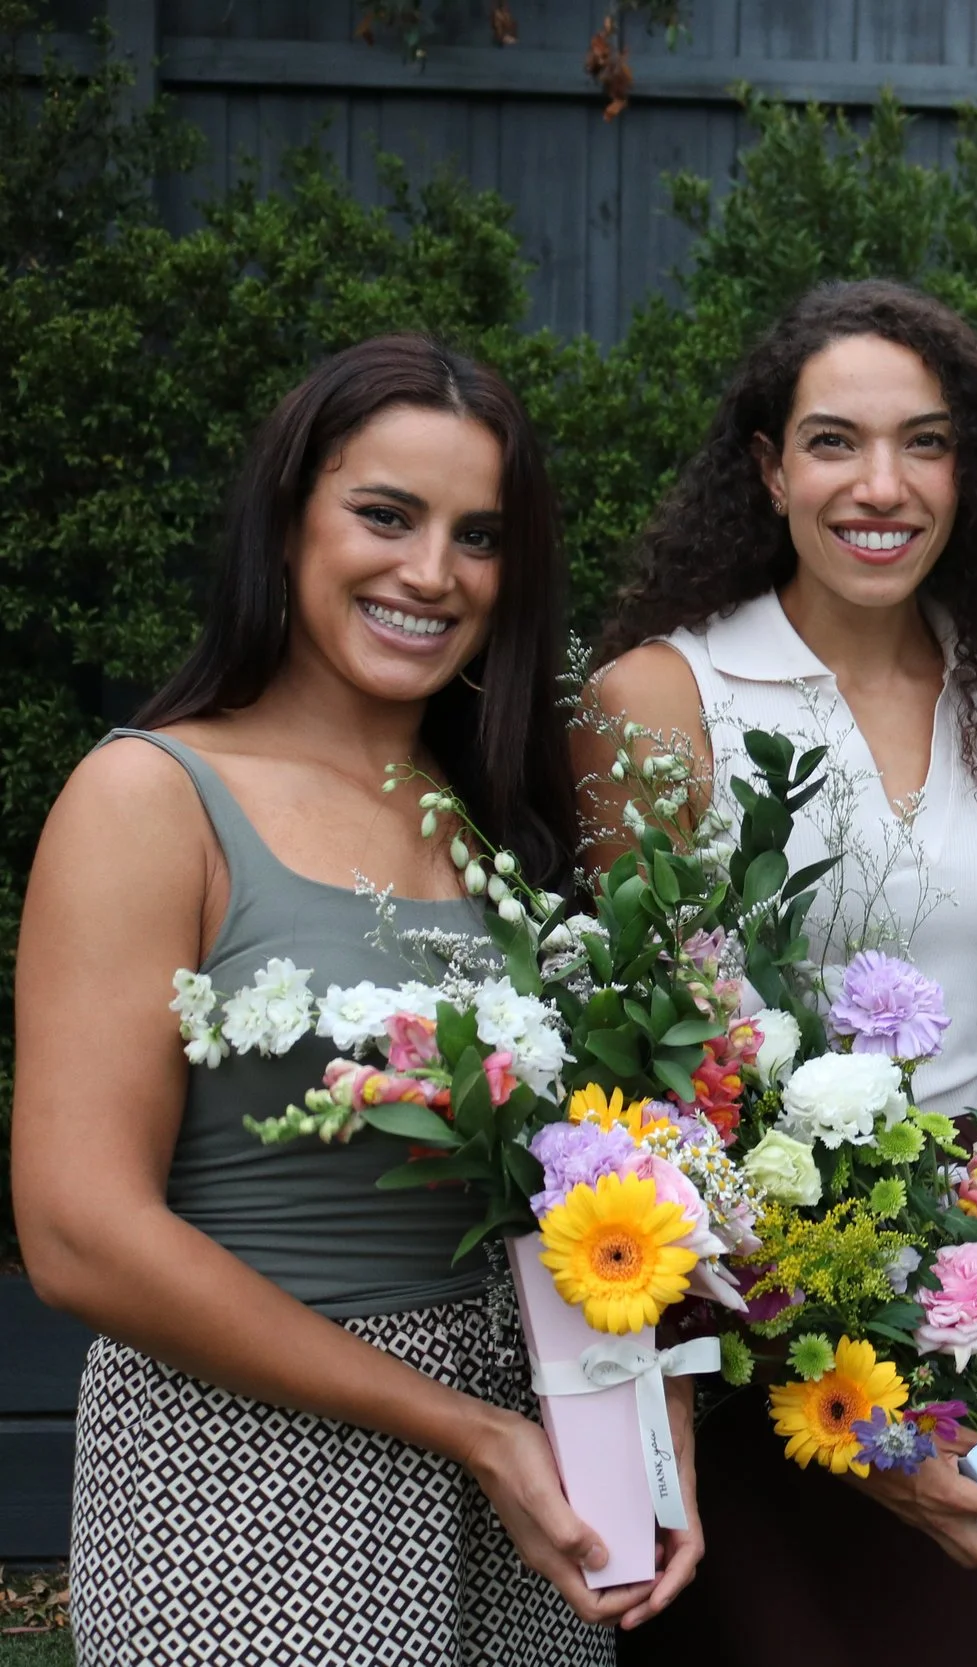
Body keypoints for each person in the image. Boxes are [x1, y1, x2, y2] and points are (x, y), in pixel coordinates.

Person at [12, 335, 681, 1664]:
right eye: (386, 513)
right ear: (286, 517)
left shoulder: (517, 828)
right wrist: (457, 1422)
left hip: (533, 1481)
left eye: (478, 535)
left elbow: (599, 1182)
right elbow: (79, 1229)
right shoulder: (151, 797)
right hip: (247, 1474)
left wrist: (646, 1436)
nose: (431, 572)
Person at [590, 280, 977, 1667]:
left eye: (925, 443)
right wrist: (808, 1312)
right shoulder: (662, 697)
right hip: (738, 1309)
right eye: (835, 442)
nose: (883, 485)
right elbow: (647, 1062)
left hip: (965, 1291)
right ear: (768, 467)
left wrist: (971, 1262)